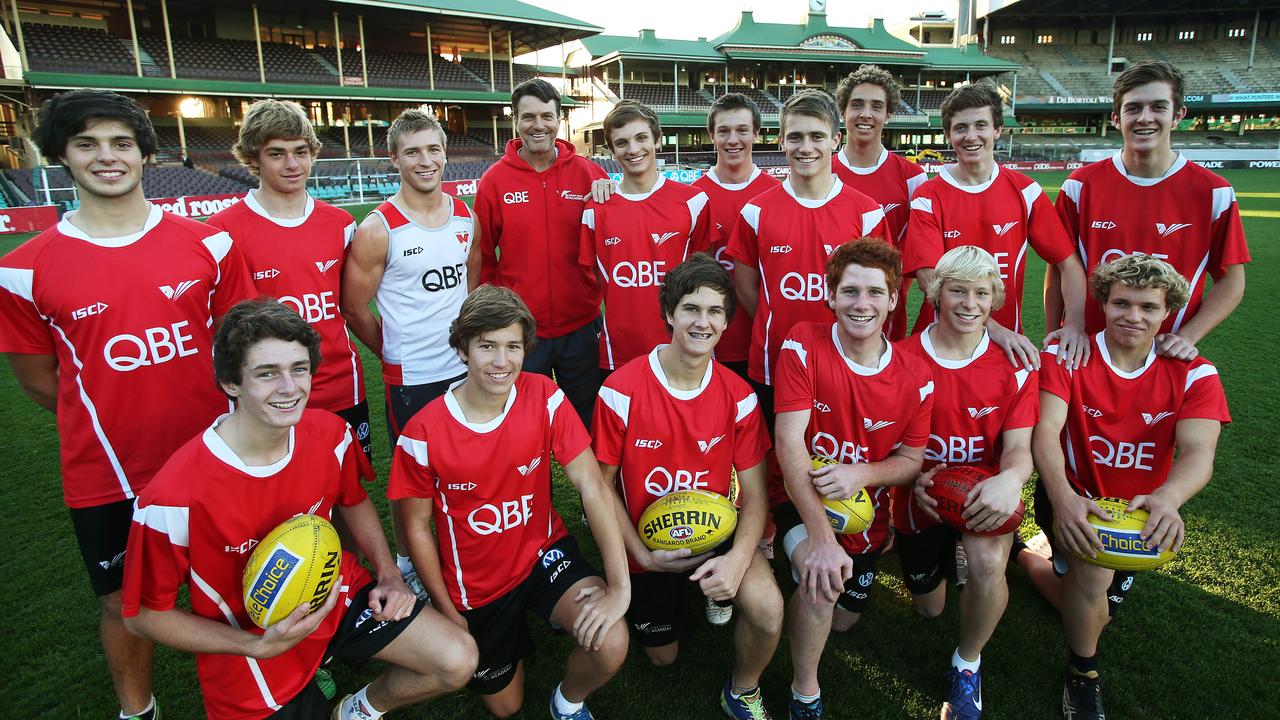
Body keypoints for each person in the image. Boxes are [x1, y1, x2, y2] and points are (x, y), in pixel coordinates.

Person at [0, 88, 255, 720]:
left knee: (241, 581)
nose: (106, 157)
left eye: (120, 143)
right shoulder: (24, 270)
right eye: (86, 143)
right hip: (107, 472)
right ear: (61, 154)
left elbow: (245, 348)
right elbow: (40, 381)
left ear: (145, 154)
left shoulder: (209, 245)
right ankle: (137, 710)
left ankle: (263, 692)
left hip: (217, 455)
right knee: (122, 602)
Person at [121, 299, 477, 720]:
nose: (290, 388)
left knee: (457, 659)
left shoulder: (329, 434)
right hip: (252, 644)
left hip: (334, 593)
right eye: (267, 373)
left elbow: (353, 499)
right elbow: (143, 615)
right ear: (231, 382)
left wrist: (389, 573)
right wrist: (254, 645)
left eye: (299, 368)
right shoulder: (172, 498)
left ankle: (356, 710)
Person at [389, 285, 631, 720]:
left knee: (611, 640)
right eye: (488, 346)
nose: (502, 362)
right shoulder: (422, 434)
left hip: (543, 554)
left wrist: (620, 587)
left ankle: (568, 703)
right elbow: (416, 529)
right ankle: (521, 630)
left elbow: (593, 486)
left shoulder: (544, 396)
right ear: (463, 348)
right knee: (505, 707)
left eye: (513, 346)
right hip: (477, 585)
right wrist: (447, 611)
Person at [1028, 254, 1229, 719]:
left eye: (1147, 307)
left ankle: (1032, 556)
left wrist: (1169, 498)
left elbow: (1200, 453)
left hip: (1141, 516)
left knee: (1100, 612)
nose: (1132, 317)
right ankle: (1083, 675)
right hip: (1072, 496)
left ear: (1167, 311)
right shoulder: (1065, 356)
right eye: (1121, 303)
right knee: (1094, 582)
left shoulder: (1195, 372)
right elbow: (1046, 433)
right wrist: (1062, 498)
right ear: (1104, 303)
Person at [591, 255, 782, 719]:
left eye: (715, 311)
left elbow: (755, 493)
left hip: (715, 530)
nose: (703, 321)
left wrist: (738, 559)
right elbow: (600, 487)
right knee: (663, 656)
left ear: (726, 321)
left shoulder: (738, 395)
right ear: (669, 314)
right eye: (692, 309)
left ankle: (743, 689)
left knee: (768, 608)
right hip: (650, 539)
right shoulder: (621, 389)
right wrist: (639, 554)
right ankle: (679, 594)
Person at [772, 240, 933, 720]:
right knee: (824, 580)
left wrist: (862, 473)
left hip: (867, 516)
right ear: (830, 295)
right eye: (850, 292)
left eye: (873, 293)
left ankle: (811, 573)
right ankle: (805, 692)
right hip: (797, 501)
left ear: (893, 300)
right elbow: (789, 444)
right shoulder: (802, 342)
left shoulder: (917, 375)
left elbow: (912, 459)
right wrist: (820, 537)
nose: (861, 305)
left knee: (843, 619)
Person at [894, 246, 1039, 720]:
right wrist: (911, 478)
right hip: (919, 492)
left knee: (983, 563)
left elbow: (1019, 446)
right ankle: (948, 555)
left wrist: (1013, 478)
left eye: (982, 293)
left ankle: (967, 663)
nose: (969, 303)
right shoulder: (900, 358)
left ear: (995, 298)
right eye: (958, 290)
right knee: (929, 609)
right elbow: (885, 440)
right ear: (936, 292)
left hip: (982, 492)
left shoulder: (1015, 363)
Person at [340, 108, 479, 597]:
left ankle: (466, 543)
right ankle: (409, 563)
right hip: (413, 376)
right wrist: (393, 353)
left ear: (445, 153)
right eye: (413, 152)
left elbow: (473, 286)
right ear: (393, 158)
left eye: (433, 149)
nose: (426, 161)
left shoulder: (466, 215)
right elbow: (355, 309)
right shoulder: (379, 228)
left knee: (468, 464)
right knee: (413, 477)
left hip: (466, 370)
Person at [1050, 60, 1250, 359]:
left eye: (1158, 107)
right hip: (1087, 351)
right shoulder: (1080, 185)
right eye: (1133, 108)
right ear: (1117, 118)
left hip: (1164, 356)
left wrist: (1187, 336)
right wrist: (1065, 329)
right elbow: (1060, 267)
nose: (1145, 118)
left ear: (1178, 115)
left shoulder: (1213, 192)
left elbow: (1232, 279)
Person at [208, 99, 371, 460]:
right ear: (254, 158)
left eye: (301, 151)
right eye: (277, 154)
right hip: (270, 391)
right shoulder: (222, 232)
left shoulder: (341, 224)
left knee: (350, 489)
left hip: (342, 382)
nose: (293, 164)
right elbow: (223, 329)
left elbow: (352, 303)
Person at [726, 89, 889, 431]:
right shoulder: (756, 211)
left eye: (817, 136)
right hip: (774, 362)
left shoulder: (866, 212)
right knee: (773, 471)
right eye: (796, 137)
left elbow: (880, 292)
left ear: (835, 140)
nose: (806, 147)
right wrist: (781, 320)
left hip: (845, 361)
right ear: (781, 140)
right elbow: (745, 288)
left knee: (835, 464)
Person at [901, 82, 1089, 370]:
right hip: (940, 346)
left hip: (1007, 350)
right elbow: (930, 280)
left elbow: (1068, 263)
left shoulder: (1025, 191)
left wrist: (1074, 325)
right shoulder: (929, 196)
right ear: (948, 134)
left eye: (981, 125)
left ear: (997, 130)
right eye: (961, 128)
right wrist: (994, 328)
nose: (971, 136)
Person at [476, 78, 609, 426]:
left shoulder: (587, 172)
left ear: (559, 119)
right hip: (519, 329)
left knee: (589, 422)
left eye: (547, 116)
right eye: (528, 117)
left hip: (581, 325)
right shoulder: (494, 180)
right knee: (520, 425)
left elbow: (612, 238)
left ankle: (595, 483)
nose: (539, 125)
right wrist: (496, 317)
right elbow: (484, 257)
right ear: (515, 121)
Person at [579, 100, 711, 373]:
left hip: (683, 346)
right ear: (612, 150)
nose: (633, 149)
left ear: (658, 140)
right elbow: (593, 278)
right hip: (619, 351)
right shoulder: (595, 211)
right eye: (622, 142)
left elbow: (703, 273)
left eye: (641, 138)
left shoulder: (694, 201)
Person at [830, 65, 929, 340]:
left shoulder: (912, 178)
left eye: (876, 106)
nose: (866, 114)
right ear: (842, 112)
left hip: (886, 307)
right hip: (828, 303)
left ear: (889, 114)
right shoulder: (822, 172)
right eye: (857, 105)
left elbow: (918, 249)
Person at [690, 93, 782, 380]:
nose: (733, 140)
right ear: (711, 135)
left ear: (756, 133)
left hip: (766, 343)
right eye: (724, 131)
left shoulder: (778, 195)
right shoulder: (691, 197)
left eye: (742, 130)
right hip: (707, 345)